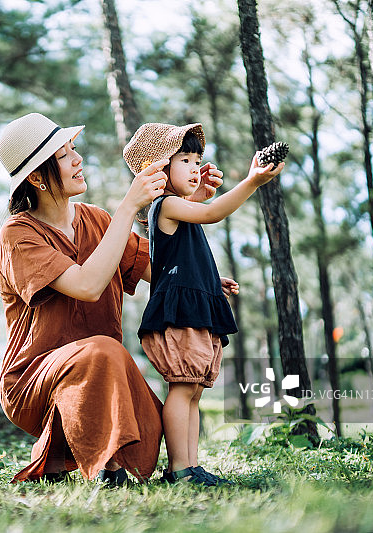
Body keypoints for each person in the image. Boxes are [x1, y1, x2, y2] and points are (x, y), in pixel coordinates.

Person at [0, 113, 224, 485]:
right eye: (64, 155)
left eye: (74, 149)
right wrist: (128, 207)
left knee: (150, 421)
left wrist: (189, 203)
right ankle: (106, 467)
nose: (78, 160)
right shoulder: (18, 234)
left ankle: (102, 459)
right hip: (34, 381)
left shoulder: (97, 220)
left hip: (107, 370)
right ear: (36, 178)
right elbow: (87, 286)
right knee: (102, 349)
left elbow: (163, 268)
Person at [123, 122, 284, 486]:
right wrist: (252, 182)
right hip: (178, 314)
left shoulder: (180, 209)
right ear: (157, 169)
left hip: (193, 307)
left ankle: (190, 466)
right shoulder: (166, 205)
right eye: (184, 160)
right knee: (182, 387)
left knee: (193, 390)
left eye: (197, 160)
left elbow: (183, 257)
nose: (195, 167)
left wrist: (211, 280)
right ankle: (179, 468)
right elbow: (213, 213)